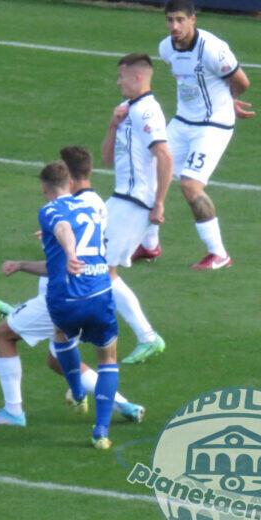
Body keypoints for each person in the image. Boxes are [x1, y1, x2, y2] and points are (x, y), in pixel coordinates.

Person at [0, 148, 145, 428]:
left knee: (4, 335)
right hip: (94, 294)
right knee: (57, 360)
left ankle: (13, 411)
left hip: (63, 298)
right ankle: (123, 405)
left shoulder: (56, 210)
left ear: (48, 188)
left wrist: (66, 250)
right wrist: (24, 263)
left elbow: (64, 232)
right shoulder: (93, 207)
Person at [134, 0, 253, 270]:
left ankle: (219, 254)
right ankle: (150, 245)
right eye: (170, 20)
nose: (174, 26)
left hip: (213, 125)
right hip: (182, 122)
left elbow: (242, 83)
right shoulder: (166, 48)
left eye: (180, 20)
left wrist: (228, 101)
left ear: (192, 20)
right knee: (148, 170)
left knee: (190, 185)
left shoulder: (213, 49)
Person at [100, 54, 172, 363]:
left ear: (138, 77)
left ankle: (148, 337)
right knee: (77, 253)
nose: (118, 82)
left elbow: (165, 156)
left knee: (102, 271)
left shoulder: (147, 111)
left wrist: (159, 203)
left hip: (135, 204)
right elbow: (106, 159)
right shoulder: (127, 110)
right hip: (119, 199)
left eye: (122, 76)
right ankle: (29, 315)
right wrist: (113, 124)